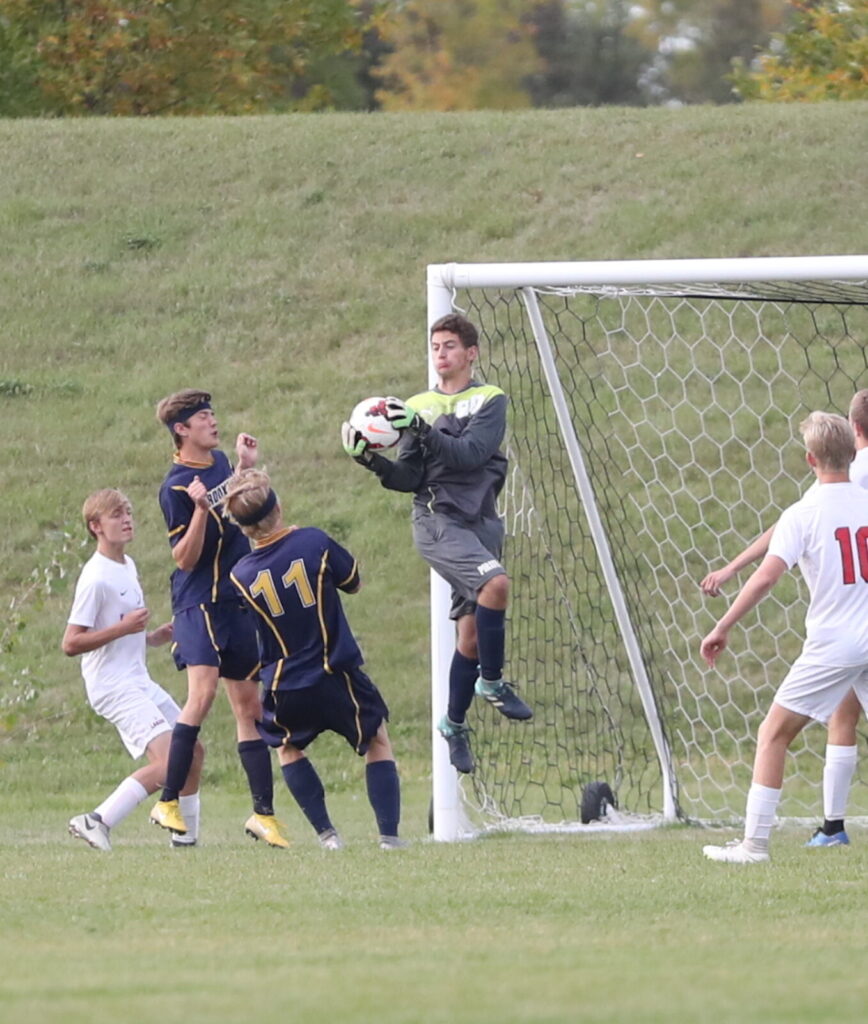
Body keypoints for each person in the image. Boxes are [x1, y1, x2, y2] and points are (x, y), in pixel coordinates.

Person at [341, 313, 532, 776]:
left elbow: (468, 456)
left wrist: (422, 429)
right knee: (498, 585)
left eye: (449, 345)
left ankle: (453, 722)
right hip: (436, 521)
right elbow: (409, 477)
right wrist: (370, 461)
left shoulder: (489, 399)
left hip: (481, 524)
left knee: (469, 636)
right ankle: (492, 682)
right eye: (435, 346)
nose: (441, 353)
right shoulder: (417, 405)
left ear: (471, 353)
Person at [700, 389, 868, 848]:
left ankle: (753, 847)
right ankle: (827, 829)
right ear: (852, 451)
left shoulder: (804, 513)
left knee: (773, 733)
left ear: (810, 459)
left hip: (835, 644)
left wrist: (722, 626)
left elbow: (767, 579)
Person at [225, 468, 405, 850]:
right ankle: (389, 838)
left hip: (284, 683)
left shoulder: (240, 574)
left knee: (289, 749)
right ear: (279, 507)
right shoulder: (314, 542)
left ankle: (328, 836)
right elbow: (353, 582)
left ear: (243, 530)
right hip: (334, 670)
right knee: (376, 739)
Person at [148, 389, 288, 848]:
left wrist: (244, 469)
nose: (213, 422)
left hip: (236, 601)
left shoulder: (223, 462)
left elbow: (234, 506)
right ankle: (167, 801)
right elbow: (184, 558)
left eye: (212, 414)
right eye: (203, 417)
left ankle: (263, 816)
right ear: (182, 430)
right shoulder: (174, 486)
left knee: (249, 708)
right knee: (202, 694)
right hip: (197, 603)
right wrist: (201, 511)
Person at [63, 489, 203, 851]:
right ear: (96, 527)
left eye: (127, 513)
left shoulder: (127, 565)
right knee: (172, 759)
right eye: (115, 515)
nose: (126, 520)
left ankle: (186, 839)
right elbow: (71, 643)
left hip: (137, 679)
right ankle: (96, 820)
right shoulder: (95, 578)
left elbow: (125, 634)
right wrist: (124, 628)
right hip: (112, 685)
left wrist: (153, 638)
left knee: (194, 750)